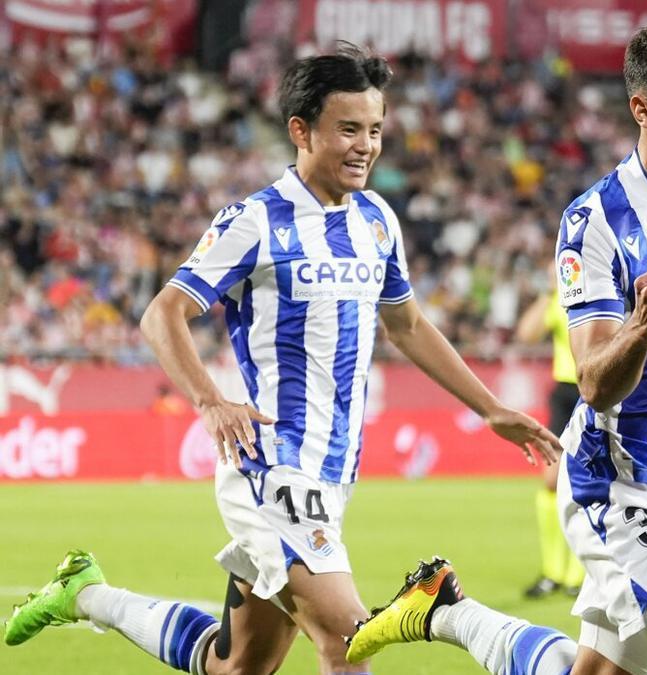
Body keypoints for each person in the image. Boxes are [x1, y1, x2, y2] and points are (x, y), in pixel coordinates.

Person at [3, 43, 559, 674]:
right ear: (302, 130)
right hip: (271, 463)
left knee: (236, 665)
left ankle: (87, 594)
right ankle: (443, 613)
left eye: (375, 129)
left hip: (333, 472)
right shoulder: (255, 221)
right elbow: (162, 314)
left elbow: (405, 323)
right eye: (348, 129)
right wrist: (211, 401)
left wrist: (490, 408)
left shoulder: (376, 219)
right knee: (350, 641)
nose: (366, 145)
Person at [344, 4, 647, 674]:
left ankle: (444, 610)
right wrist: (643, 324)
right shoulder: (596, 221)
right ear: (643, 108)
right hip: (620, 485)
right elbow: (595, 382)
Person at [513, 266, 587, 599]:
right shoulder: (560, 299)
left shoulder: (601, 292)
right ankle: (553, 571)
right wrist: (550, 291)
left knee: (588, 483)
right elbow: (526, 334)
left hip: (595, 391)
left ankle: (578, 573)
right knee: (551, 481)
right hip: (565, 394)